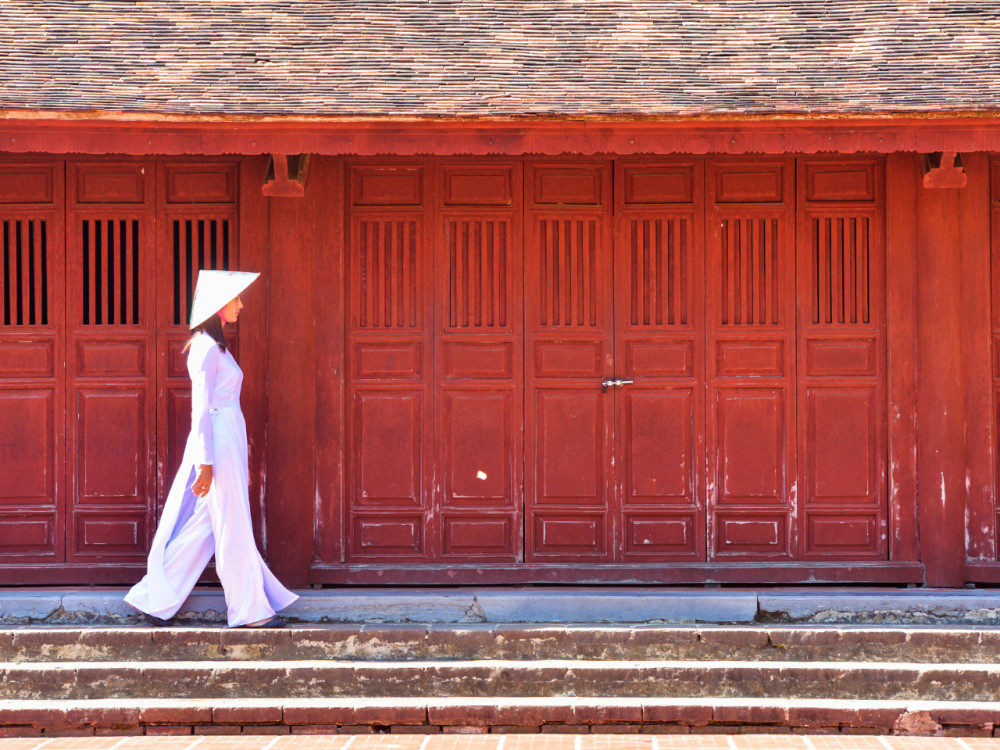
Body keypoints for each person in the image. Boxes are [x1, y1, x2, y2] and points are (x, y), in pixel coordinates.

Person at [126, 270, 298, 628]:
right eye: (235, 298)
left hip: (228, 435)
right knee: (232, 523)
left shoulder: (216, 346)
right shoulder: (205, 348)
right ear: (219, 305)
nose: (241, 304)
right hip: (217, 440)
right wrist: (205, 463)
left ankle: (152, 598)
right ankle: (249, 610)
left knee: (208, 523)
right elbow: (200, 408)